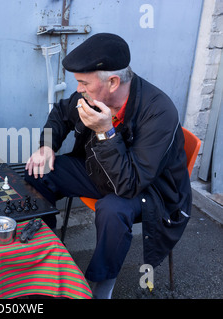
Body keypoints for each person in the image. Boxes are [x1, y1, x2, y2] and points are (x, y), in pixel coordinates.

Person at [25, 33, 191, 298]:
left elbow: (130, 184)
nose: (79, 89)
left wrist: (105, 132)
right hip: (101, 171)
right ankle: (44, 253)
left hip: (149, 191)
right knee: (38, 172)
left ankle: (100, 288)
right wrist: (46, 145)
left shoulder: (159, 112)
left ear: (113, 82)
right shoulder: (92, 95)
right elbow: (60, 112)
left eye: (83, 83)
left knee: (112, 209)